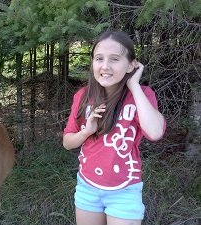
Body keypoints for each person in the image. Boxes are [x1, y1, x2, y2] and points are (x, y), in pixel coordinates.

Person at [63, 30, 166, 225]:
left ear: (131, 65)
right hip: (87, 188)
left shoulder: (142, 95)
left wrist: (134, 85)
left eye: (115, 59)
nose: (105, 66)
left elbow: (155, 132)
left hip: (125, 191)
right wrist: (86, 131)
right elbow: (67, 142)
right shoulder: (83, 96)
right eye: (99, 58)